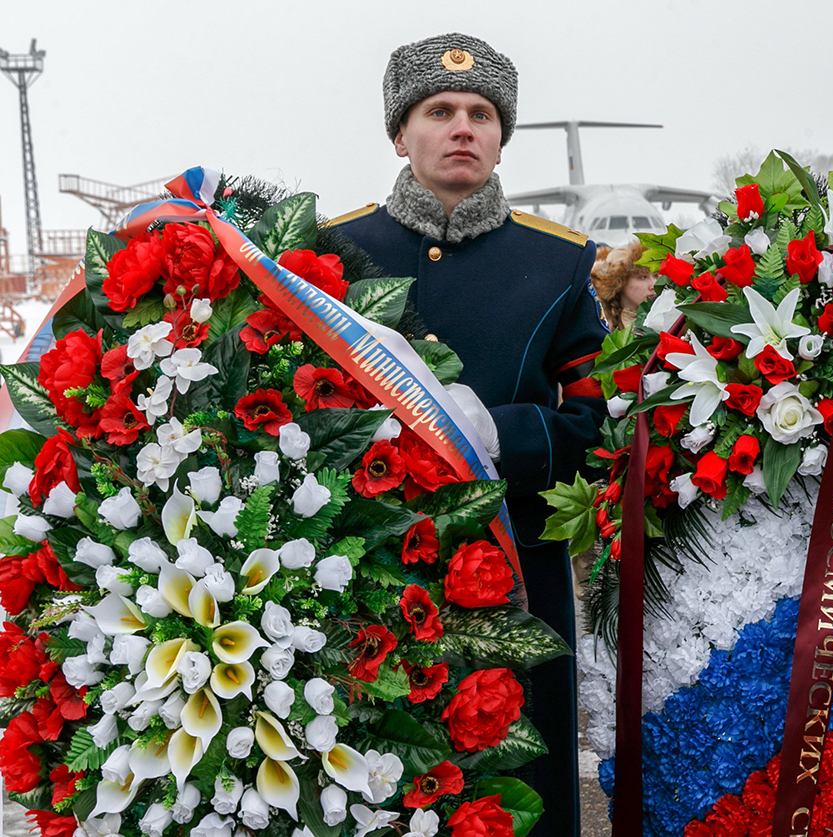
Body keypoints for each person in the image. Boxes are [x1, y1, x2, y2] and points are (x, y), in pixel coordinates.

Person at [327, 33, 607, 836]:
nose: (463, 127)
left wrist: (498, 433)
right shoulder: (333, 253)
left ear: (500, 134)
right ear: (398, 133)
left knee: (517, 789)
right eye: (439, 110)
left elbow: (595, 424)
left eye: (481, 113)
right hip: (368, 569)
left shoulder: (558, 265)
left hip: (514, 566)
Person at [591, 238, 656, 331]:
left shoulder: (666, 318)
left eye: (654, 276)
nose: (653, 285)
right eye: (642, 277)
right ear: (620, 281)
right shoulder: (597, 324)